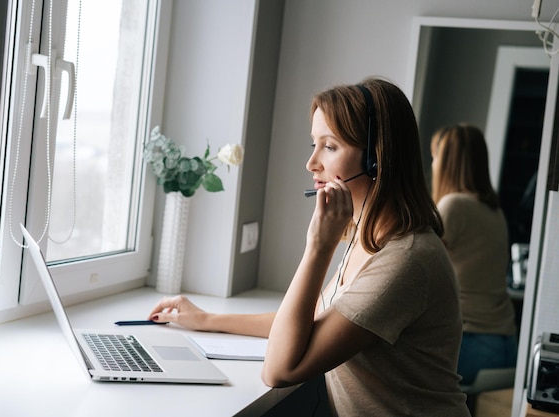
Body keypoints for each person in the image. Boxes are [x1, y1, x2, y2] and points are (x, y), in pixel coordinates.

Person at [149, 78, 470, 416]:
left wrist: (318, 247)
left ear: (376, 158)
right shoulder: (372, 238)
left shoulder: (404, 260)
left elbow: (279, 370)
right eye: (314, 144)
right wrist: (206, 319)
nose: (311, 162)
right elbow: (309, 320)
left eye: (329, 146)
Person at [430, 124, 517, 386]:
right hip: (506, 346)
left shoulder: (453, 205)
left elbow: (416, 265)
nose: (432, 165)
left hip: (472, 344)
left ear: (447, 163)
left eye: (435, 157)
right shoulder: (494, 211)